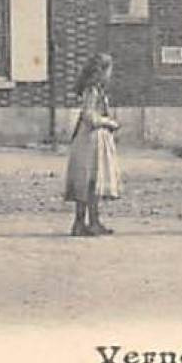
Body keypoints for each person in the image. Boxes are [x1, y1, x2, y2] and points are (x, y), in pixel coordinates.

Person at [64, 52, 122, 237]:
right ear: (101, 71)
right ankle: (88, 222)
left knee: (88, 180)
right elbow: (89, 116)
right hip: (91, 139)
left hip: (89, 138)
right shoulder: (93, 91)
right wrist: (108, 123)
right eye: (109, 71)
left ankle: (84, 222)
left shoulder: (94, 90)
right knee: (91, 180)